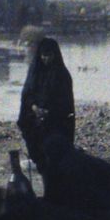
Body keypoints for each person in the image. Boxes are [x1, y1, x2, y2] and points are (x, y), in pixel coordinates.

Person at [17, 36, 75, 174]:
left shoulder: (62, 75)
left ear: (55, 55)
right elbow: (27, 94)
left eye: (49, 55)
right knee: (30, 128)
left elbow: (66, 102)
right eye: (43, 55)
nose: (46, 59)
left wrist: (49, 112)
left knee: (54, 147)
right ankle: (38, 161)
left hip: (55, 118)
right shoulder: (35, 71)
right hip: (34, 113)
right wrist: (34, 107)